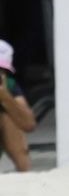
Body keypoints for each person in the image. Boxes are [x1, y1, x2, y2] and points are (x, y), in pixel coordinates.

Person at [0, 39, 36, 172]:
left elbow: (29, 124)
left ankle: (25, 177)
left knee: (10, 117)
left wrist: (5, 97)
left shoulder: (8, 85)